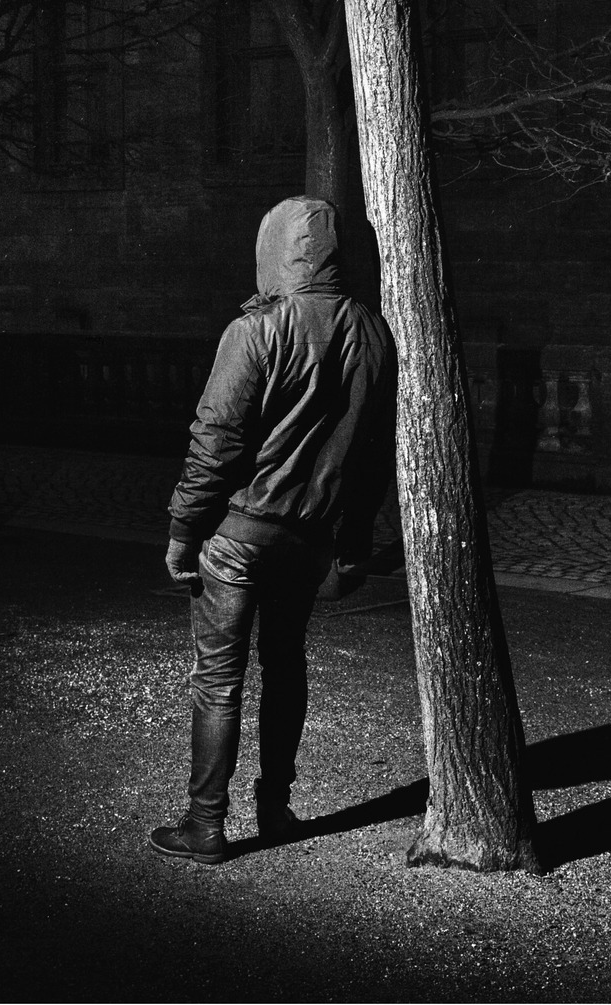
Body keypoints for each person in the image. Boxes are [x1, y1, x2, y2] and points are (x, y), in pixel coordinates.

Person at [150, 196, 394, 866]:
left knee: (218, 677)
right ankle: (276, 806)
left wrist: (182, 528)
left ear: (274, 249)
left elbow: (215, 440)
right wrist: (350, 546)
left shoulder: (257, 330)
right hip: (309, 538)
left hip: (239, 535)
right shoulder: (372, 332)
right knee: (285, 668)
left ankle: (206, 825)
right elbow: (372, 455)